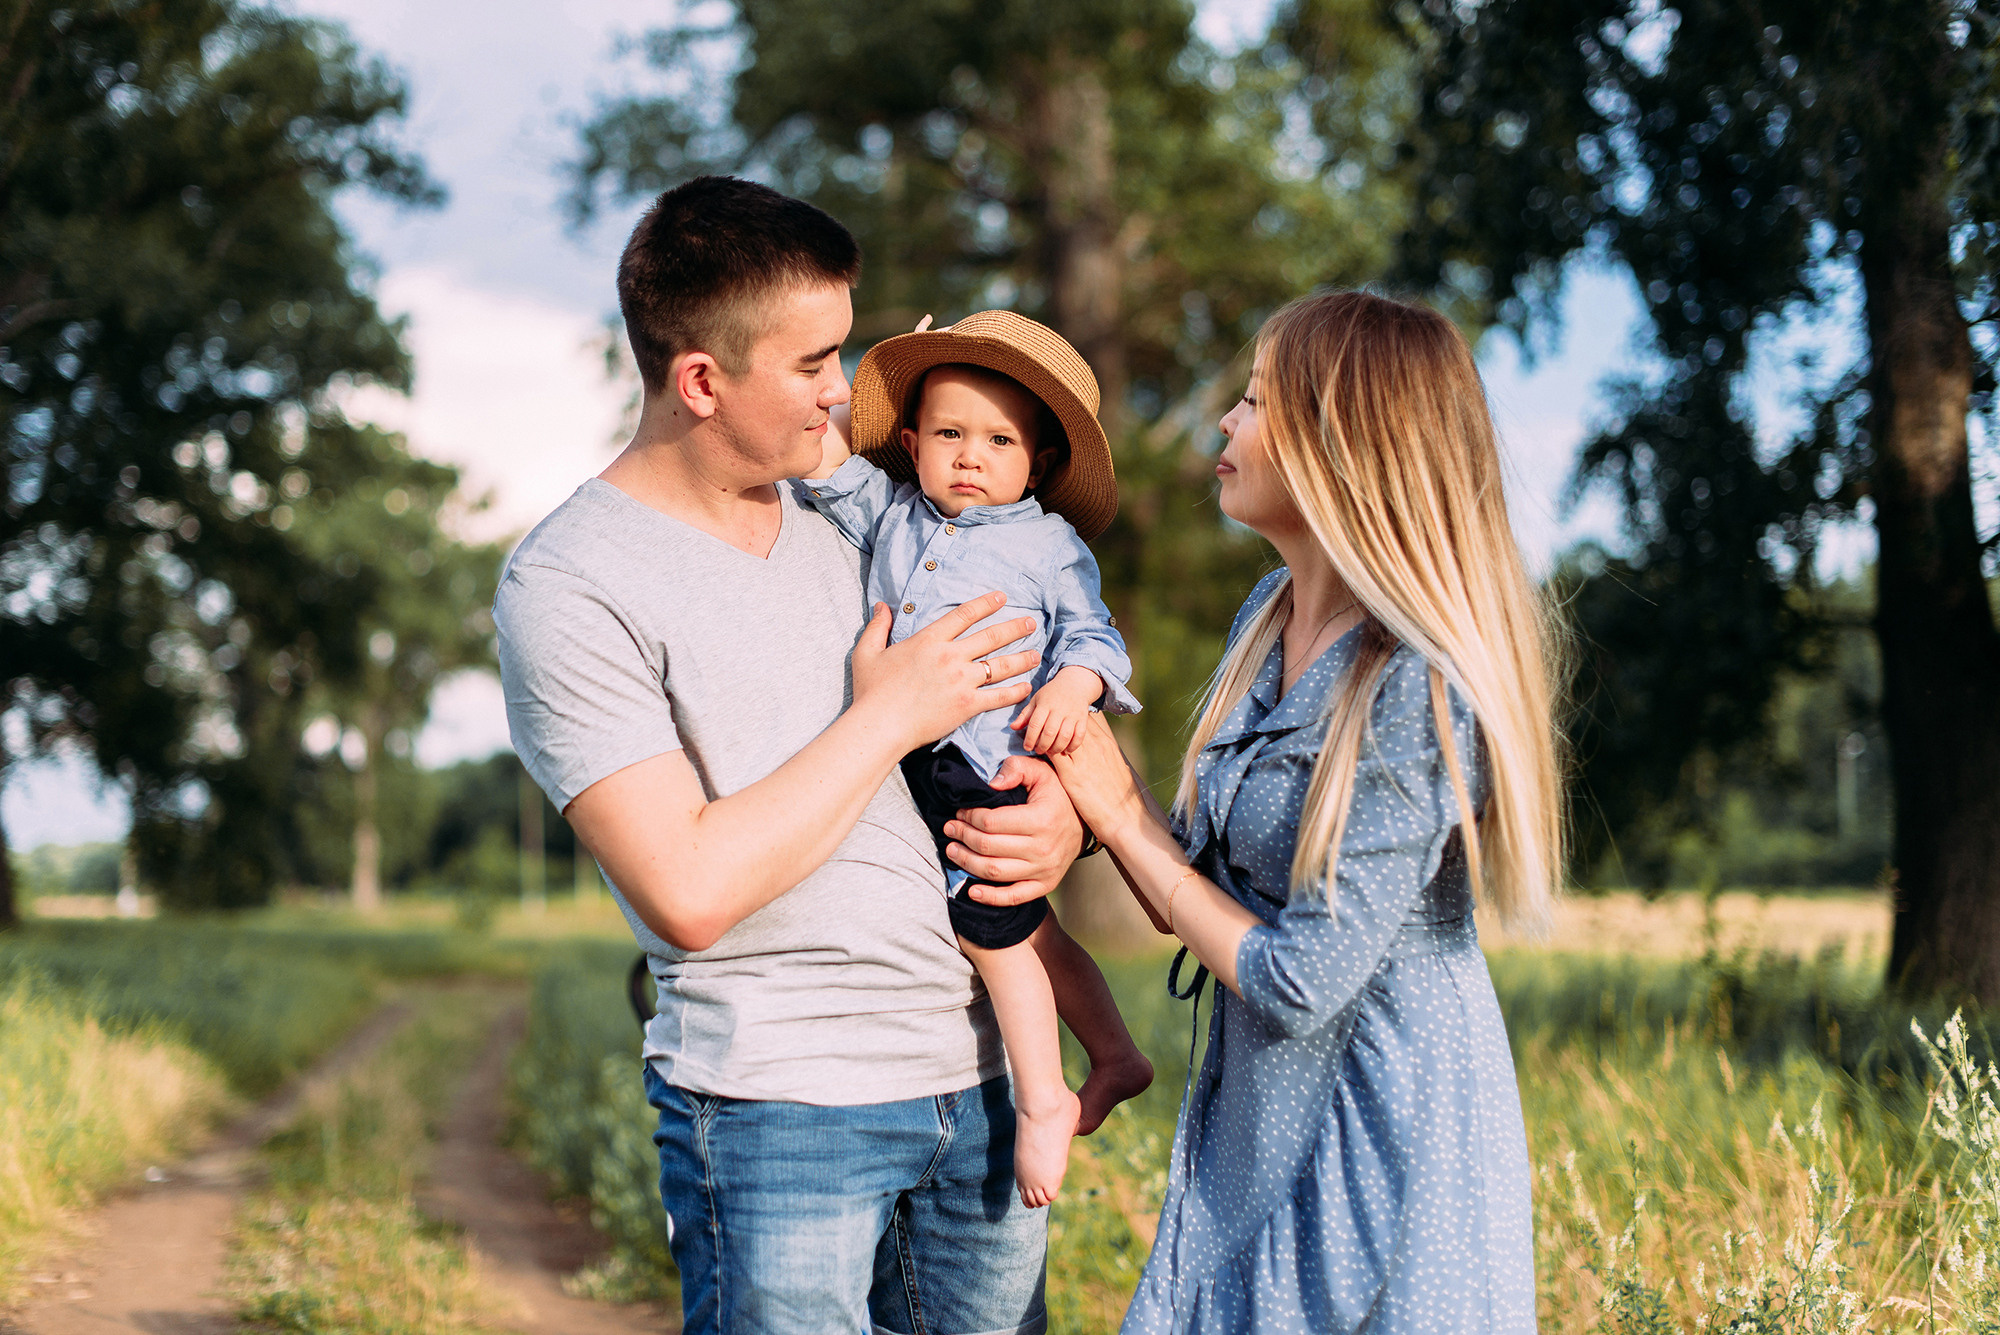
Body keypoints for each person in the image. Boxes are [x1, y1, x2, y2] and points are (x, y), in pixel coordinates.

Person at [494, 175, 1083, 1335]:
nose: (842, 391)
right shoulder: (567, 583)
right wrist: (885, 713)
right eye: (813, 363)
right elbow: (687, 891)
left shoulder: (859, 516)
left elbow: (984, 718)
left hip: (975, 1083)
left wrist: (1052, 810)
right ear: (701, 381)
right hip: (774, 1111)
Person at [1041, 289, 1563, 1332]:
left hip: (1385, 1128)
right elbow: (1188, 888)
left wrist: (1120, 816)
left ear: (1342, 442)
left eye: (1253, 402)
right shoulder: (1264, 619)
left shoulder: (1418, 685)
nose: (1223, 425)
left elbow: (1297, 977)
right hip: (1256, 1122)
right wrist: (1082, 789)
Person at [795, 310, 1154, 1206]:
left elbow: (1095, 635)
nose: (970, 456)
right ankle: (1116, 1052)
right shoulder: (894, 513)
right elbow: (828, 470)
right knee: (1032, 927)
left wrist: (1076, 687)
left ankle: (1041, 1097)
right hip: (918, 757)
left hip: (990, 758)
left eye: (998, 440)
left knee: (986, 928)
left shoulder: (1045, 543)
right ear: (911, 443)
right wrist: (847, 390)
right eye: (949, 433)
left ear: (1036, 464)